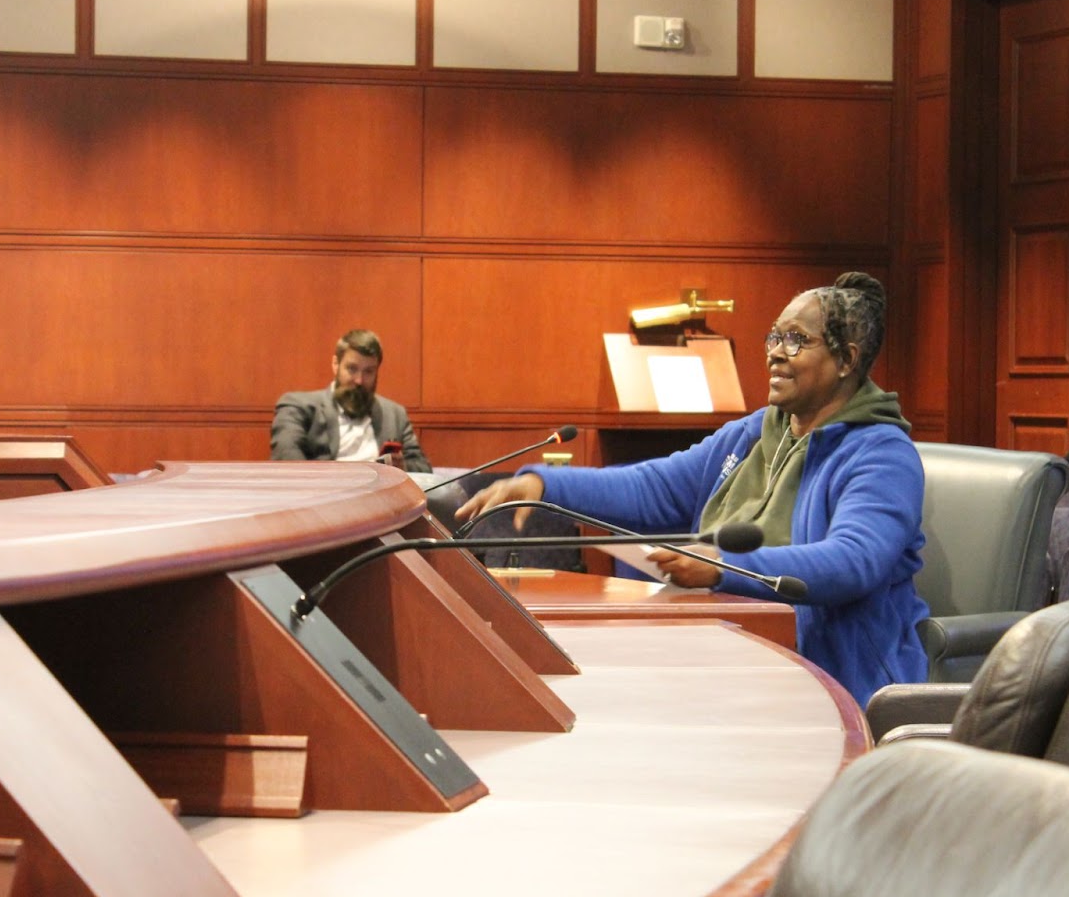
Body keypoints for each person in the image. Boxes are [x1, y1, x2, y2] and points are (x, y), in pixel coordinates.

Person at [456, 273, 927, 705]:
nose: (775, 352)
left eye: (797, 340)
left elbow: (852, 561)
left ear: (846, 358)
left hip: (831, 678)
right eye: (774, 336)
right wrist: (545, 484)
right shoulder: (755, 433)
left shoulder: (881, 454)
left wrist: (723, 566)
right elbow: (655, 488)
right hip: (728, 653)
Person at [270, 329, 432, 473]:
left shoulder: (395, 414)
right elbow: (286, 461)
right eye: (352, 369)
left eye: (369, 371)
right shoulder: (298, 406)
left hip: (382, 500)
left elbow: (423, 468)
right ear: (335, 364)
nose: (359, 380)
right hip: (324, 498)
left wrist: (402, 467)